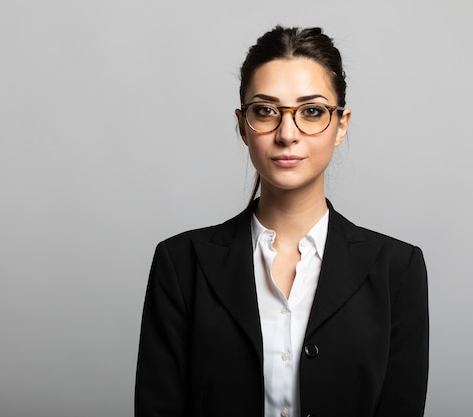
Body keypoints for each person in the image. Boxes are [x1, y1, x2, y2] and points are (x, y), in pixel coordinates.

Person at [135, 26, 429, 417]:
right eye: (265, 111)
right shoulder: (180, 264)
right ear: (242, 125)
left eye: (311, 112)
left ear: (341, 124)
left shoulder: (398, 269)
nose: (287, 133)